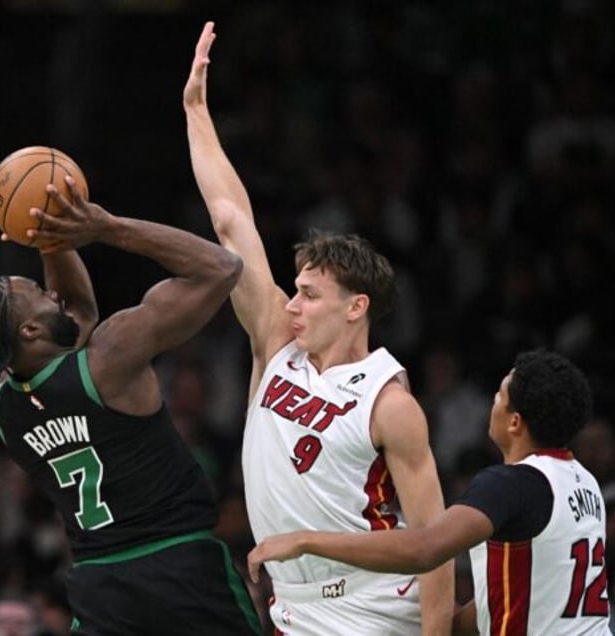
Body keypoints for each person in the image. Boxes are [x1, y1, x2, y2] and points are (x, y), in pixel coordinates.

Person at [183, 21, 453, 635]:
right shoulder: (277, 342)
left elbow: (435, 544)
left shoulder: (390, 401)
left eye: (308, 294)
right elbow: (231, 221)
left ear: (355, 307)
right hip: (291, 605)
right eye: (294, 291)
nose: (293, 304)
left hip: (372, 607)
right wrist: (196, 111)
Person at [0, 175, 261, 635]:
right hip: (180, 567)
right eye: (40, 297)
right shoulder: (110, 358)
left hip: (100, 585)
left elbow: (76, 313)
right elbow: (220, 268)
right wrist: (107, 227)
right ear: (30, 333)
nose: (52, 293)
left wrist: (47, 233)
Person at [248, 349, 613, 636]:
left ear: (515, 421)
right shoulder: (584, 483)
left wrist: (306, 540)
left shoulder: (510, 484)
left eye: (499, 396)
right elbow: (520, 598)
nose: (493, 402)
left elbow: (425, 549)